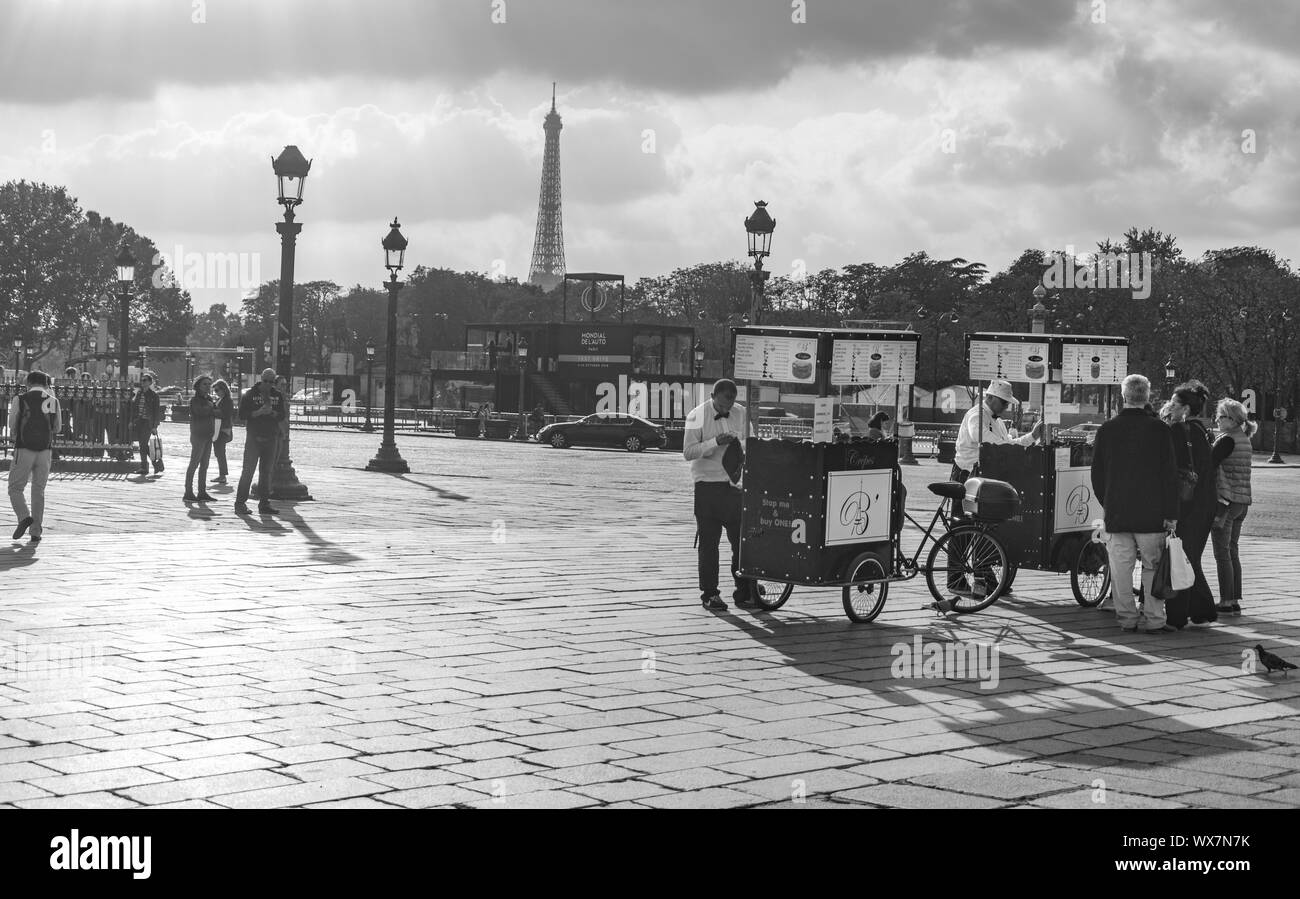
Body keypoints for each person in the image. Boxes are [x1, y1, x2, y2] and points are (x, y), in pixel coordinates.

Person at [1090, 374, 1179, 634]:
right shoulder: (1160, 429)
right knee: (1152, 566)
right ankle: (1153, 618)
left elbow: (1097, 474)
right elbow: (1169, 476)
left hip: (1117, 511)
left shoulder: (1107, 429)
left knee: (1120, 570)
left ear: (1124, 396)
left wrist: (1108, 502)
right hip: (1152, 513)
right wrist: (1171, 513)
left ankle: (1127, 618)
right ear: (1147, 397)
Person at [946, 379, 1042, 595]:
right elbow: (988, 442)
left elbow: (1006, 445)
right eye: (1003, 403)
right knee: (963, 528)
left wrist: (1030, 438)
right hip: (967, 475)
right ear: (990, 398)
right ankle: (955, 579)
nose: (1006, 407)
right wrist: (1030, 438)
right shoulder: (977, 415)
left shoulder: (995, 420)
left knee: (983, 527)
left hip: (981, 477)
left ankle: (984, 575)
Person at [683, 378, 755, 611]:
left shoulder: (741, 412)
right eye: (723, 405)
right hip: (707, 487)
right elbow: (688, 452)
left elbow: (750, 442)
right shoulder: (696, 415)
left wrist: (739, 444)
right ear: (713, 396)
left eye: (730, 405)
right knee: (709, 545)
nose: (727, 409)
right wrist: (714, 442)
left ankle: (744, 589)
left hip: (734, 486)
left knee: (741, 542)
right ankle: (710, 594)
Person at [1161, 382, 1217, 628]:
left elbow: (1170, 470)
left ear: (1185, 408)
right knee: (1189, 556)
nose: (1169, 406)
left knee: (1180, 557)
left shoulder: (1178, 431)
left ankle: (1178, 615)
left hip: (1188, 503)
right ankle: (1202, 609)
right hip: (1205, 501)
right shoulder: (1203, 431)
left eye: (1174, 403)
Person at [1210, 398, 1255, 616]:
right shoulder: (1244, 438)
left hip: (1226, 502)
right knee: (1233, 550)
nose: (1217, 420)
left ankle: (1226, 600)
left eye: (1220, 416)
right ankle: (1234, 597)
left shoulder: (1227, 440)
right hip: (1241, 501)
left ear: (1232, 419)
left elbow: (1209, 464)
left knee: (1222, 553)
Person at [7, 371, 60, 544]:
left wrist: (17, 436)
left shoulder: (20, 399)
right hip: (45, 450)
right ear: (46, 384)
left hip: (24, 448)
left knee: (15, 488)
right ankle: (36, 531)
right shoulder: (53, 401)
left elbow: (12, 425)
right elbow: (57, 428)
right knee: (39, 490)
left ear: (28, 382)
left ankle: (24, 517)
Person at [234, 368, 287, 516]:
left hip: (271, 438)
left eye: (271, 382)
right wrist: (258, 413)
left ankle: (264, 503)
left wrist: (273, 413)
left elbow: (282, 415)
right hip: (254, 438)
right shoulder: (250, 394)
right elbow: (241, 415)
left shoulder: (277, 395)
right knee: (248, 471)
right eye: (266, 381)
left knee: (266, 473)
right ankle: (240, 503)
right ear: (261, 379)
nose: (268, 385)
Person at [184, 375, 218, 503]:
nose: (208, 386)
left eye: (209, 384)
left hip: (208, 434)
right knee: (194, 463)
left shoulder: (209, 399)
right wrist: (211, 408)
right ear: (198, 385)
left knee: (205, 465)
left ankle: (202, 492)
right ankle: (188, 491)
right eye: (205, 384)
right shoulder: (195, 400)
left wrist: (211, 408)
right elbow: (201, 412)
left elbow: (218, 412)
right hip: (198, 435)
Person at [129, 373, 163, 476]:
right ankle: (156, 465)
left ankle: (146, 467)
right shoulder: (139, 393)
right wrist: (132, 420)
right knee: (142, 445)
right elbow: (134, 408)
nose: (142, 382)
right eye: (142, 380)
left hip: (148, 423)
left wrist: (154, 426)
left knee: (143, 445)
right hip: (139, 421)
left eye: (145, 380)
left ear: (149, 382)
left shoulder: (154, 395)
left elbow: (157, 412)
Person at [210, 378, 235, 484]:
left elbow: (225, 414)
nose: (216, 393)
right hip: (219, 428)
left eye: (217, 390)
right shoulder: (221, 399)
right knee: (218, 452)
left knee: (220, 452)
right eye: (214, 391)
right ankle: (222, 474)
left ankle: (223, 475)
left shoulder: (227, 400)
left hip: (223, 429)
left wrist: (213, 410)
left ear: (223, 389)